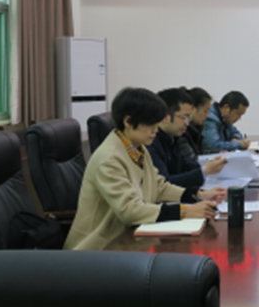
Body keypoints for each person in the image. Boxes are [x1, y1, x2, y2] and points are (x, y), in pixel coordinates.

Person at [65, 88, 219, 251]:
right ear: (128, 121)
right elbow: (129, 210)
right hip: (97, 249)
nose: (156, 130)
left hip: (128, 241)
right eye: (150, 124)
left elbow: (158, 186)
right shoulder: (109, 158)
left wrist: (198, 195)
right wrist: (187, 211)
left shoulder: (138, 148)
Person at [147, 88, 227, 188]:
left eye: (189, 118)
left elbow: (186, 165)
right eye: (184, 117)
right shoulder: (150, 143)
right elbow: (164, 184)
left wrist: (211, 164)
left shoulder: (172, 139)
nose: (187, 123)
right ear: (166, 117)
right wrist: (204, 171)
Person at [177, 86, 212, 161]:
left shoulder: (196, 130)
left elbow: (200, 153)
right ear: (192, 109)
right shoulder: (182, 132)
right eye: (205, 111)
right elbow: (193, 160)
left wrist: (220, 154)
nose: (207, 115)